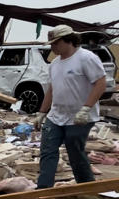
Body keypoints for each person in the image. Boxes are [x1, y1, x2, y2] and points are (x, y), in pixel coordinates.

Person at [34, 25, 106, 189]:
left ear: (68, 40)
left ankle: (86, 187)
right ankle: (44, 188)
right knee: (47, 150)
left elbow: (100, 84)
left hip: (80, 117)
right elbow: (52, 89)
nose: (52, 47)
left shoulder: (86, 58)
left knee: (75, 152)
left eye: (55, 43)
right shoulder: (54, 64)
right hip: (56, 116)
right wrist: (41, 113)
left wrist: (86, 108)